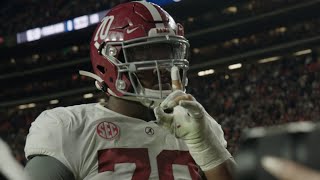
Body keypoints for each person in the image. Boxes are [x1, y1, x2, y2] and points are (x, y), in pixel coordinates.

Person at [24, 1, 235, 179]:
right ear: (110, 62)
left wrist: (205, 146)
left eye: (168, 53)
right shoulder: (69, 127)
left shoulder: (198, 123)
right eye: (145, 55)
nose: (163, 67)